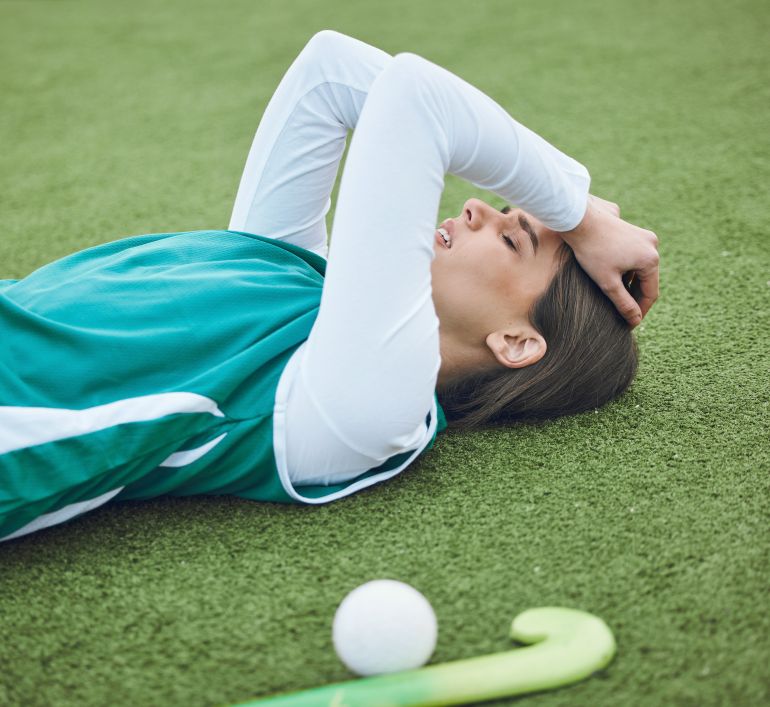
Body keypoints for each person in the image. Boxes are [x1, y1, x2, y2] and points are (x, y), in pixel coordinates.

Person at [0, 30, 659, 542]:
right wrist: (570, 213)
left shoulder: (370, 410)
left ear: (515, 340)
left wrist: (579, 214)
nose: (476, 208)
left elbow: (416, 98)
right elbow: (330, 69)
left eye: (513, 237)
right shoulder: (301, 285)